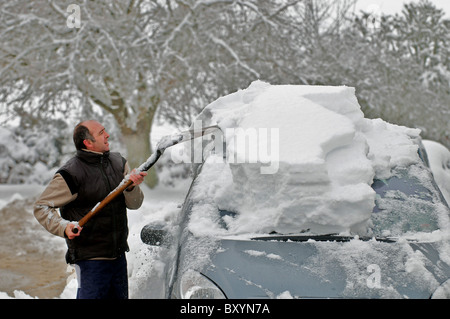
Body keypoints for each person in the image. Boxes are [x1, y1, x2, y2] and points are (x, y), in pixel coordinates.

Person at [34, 120, 147, 299]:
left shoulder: (119, 163)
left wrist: (131, 187)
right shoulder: (71, 174)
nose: (107, 134)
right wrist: (64, 227)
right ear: (88, 142)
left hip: (118, 257)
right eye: (101, 132)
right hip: (90, 261)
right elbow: (41, 207)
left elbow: (135, 204)